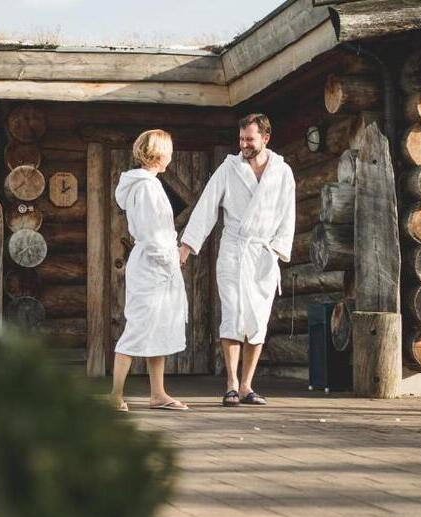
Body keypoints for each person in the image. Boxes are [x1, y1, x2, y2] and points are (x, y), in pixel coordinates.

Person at [179, 114, 295, 407]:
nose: (243, 144)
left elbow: (288, 213)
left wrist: (279, 249)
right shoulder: (229, 169)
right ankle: (231, 383)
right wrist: (187, 245)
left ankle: (247, 385)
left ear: (265, 138)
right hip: (234, 249)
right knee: (232, 315)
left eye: (250, 139)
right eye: (241, 139)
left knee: (257, 320)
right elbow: (206, 206)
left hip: (263, 252)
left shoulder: (282, 172)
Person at [109, 129, 189, 412]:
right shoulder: (144, 187)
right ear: (158, 153)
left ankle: (158, 393)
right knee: (139, 326)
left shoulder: (151, 184)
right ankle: (115, 395)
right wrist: (170, 259)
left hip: (160, 265)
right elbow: (150, 230)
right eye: (168, 150)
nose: (170, 155)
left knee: (160, 327)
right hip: (153, 265)